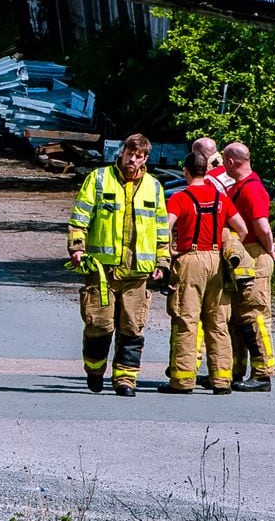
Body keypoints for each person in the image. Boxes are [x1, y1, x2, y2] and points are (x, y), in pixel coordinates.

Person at [67, 133, 169, 397]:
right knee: (100, 324)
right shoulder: (99, 179)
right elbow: (79, 217)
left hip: (137, 274)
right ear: (122, 153)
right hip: (102, 271)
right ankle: (94, 370)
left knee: (132, 327)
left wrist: (163, 260)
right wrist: (77, 247)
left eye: (138, 156)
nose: (132, 160)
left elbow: (161, 229)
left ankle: (125, 380)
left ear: (145, 158)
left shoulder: (154, 187)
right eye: (129, 154)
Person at [154, 152, 248, 395]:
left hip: (190, 260)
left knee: (187, 320)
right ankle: (221, 381)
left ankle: (182, 381)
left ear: (186, 171)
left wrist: (171, 251)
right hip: (217, 261)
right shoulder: (220, 198)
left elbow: (164, 228)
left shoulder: (180, 198)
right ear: (206, 170)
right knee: (218, 323)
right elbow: (242, 229)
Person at [223, 142, 275, 392]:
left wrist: (270, 249)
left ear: (231, 162)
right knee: (238, 318)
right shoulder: (240, 187)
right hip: (245, 256)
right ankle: (237, 371)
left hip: (256, 256)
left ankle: (263, 373)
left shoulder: (251, 189)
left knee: (254, 316)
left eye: (224, 161)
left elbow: (262, 226)